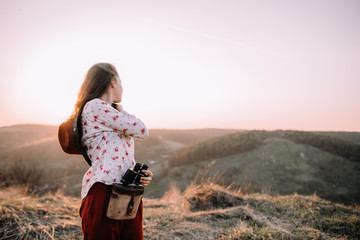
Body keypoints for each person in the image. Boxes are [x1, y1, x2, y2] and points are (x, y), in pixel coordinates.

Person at [71, 63, 152, 240]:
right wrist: (121, 109)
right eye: (121, 81)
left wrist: (140, 176)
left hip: (127, 192)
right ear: (113, 81)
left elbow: (119, 153)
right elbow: (141, 130)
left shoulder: (109, 112)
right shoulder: (94, 106)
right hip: (104, 191)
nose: (123, 87)